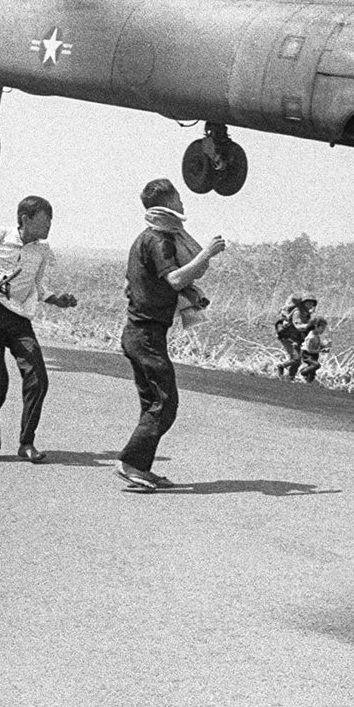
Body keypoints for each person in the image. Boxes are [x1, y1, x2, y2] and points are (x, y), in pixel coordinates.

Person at [114, 178, 225, 492]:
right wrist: (207, 254)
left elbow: (128, 286)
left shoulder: (143, 239)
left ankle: (140, 468)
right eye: (179, 200)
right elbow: (175, 278)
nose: (183, 205)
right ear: (168, 204)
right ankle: (129, 463)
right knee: (166, 402)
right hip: (146, 334)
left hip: (138, 332)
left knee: (153, 403)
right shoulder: (160, 240)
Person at [0, 197, 78, 463]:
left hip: (20, 320)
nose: (49, 224)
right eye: (45, 218)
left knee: (38, 378)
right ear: (25, 219)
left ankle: (27, 443)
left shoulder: (42, 251)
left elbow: (37, 285)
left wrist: (56, 299)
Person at [274, 293, 316, 378]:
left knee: (298, 361)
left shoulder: (306, 313)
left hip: (296, 338)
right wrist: (308, 326)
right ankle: (281, 366)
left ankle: (290, 377)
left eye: (312, 303)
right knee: (296, 358)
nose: (310, 305)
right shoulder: (297, 312)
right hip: (287, 337)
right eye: (308, 302)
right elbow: (298, 326)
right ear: (303, 303)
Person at [298, 316, 328, 383]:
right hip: (306, 354)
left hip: (312, 354)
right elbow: (309, 349)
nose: (323, 330)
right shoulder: (311, 336)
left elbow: (316, 345)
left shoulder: (316, 335)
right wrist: (318, 350)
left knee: (312, 374)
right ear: (316, 326)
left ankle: (308, 383)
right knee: (316, 365)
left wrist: (323, 347)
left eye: (324, 328)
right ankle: (303, 372)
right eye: (322, 328)